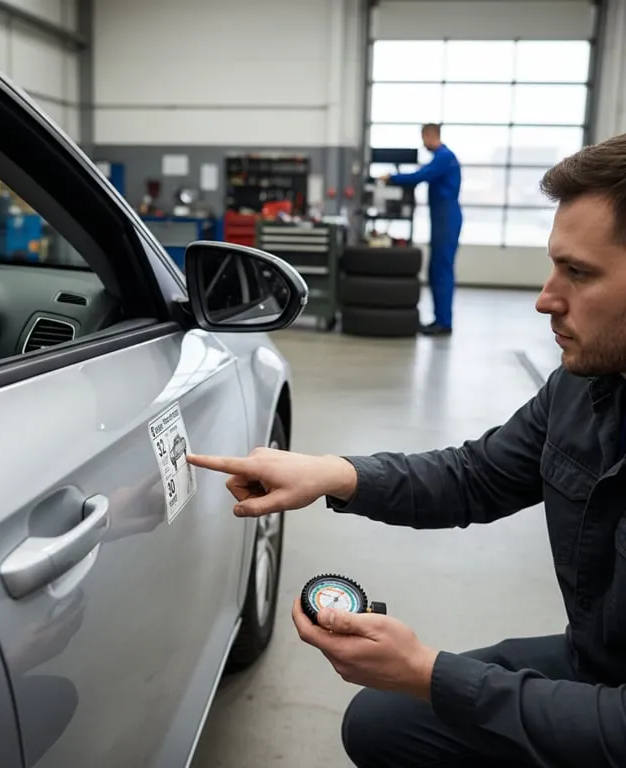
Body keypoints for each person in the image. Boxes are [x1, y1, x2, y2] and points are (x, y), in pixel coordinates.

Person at [188, 131, 626, 767]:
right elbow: (475, 475)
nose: (544, 298)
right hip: (597, 659)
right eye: (555, 265)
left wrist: (429, 672)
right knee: (382, 722)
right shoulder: (582, 387)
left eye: (579, 273)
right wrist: (331, 473)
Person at [381, 123, 462, 336]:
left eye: (423, 137)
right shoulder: (443, 156)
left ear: (429, 135)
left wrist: (391, 178)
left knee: (441, 269)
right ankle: (440, 319)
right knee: (437, 268)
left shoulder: (444, 156)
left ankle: (444, 322)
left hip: (446, 216)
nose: (423, 143)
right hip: (442, 216)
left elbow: (420, 176)